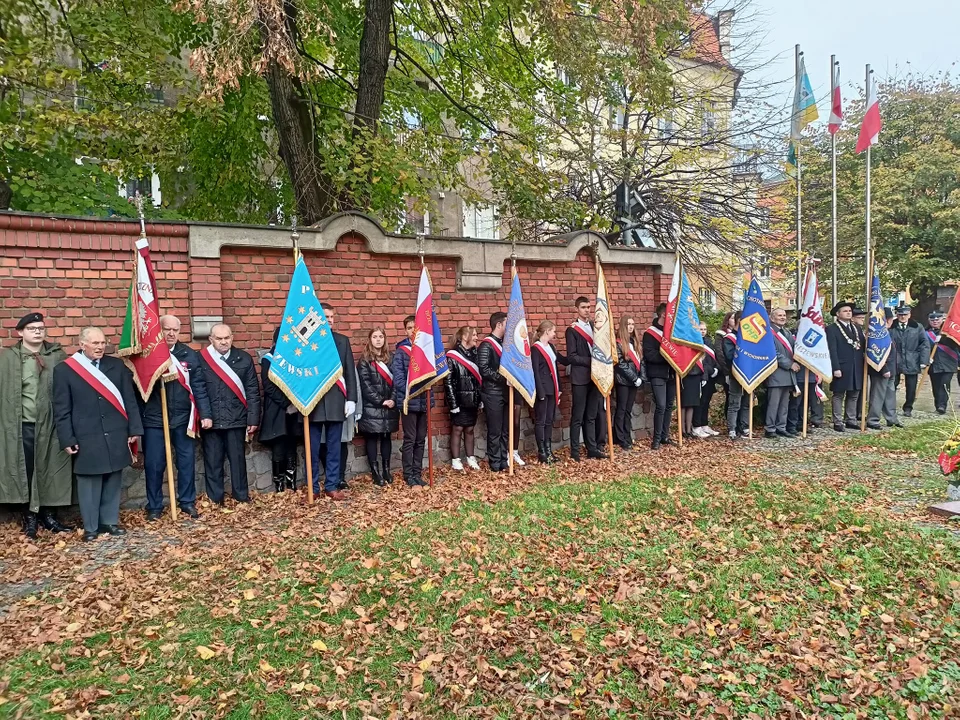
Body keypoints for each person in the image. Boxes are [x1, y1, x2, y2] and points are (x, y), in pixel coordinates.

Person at [52, 327, 143, 542]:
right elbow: (61, 409)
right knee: (89, 481)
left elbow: (130, 400)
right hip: (86, 435)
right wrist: (67, 438)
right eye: (95, 343)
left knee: (113, 477)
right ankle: (91, 526)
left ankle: (109, 522)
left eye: (102, 343)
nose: (100, 347)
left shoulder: (116, 366)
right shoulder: (65, 371)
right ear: (82, 345)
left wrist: (134, 429)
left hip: (116, 431)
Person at [0, 312, 73, 538]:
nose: (38, 332)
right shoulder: (7, 359)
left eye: (41, 328)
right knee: (25, 470)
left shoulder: (57, 356)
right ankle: (29, 516)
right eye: (32, 328)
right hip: (20, 426)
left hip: (51, 424)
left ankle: (49, 515)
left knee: (51, 467)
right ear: (20, 332)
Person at [140, 315, 212, 520]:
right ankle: (154, 506)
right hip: (154, 418)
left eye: (175, 330)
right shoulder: (148, 355)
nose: (171, 333)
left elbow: (198, 385)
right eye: (166, 329)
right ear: (159, 330)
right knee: (154, 464)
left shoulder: (188, 354)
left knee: (186, 461)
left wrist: (205, 414)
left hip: (183, 418)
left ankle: (187, 501)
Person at [198, 323, 261, 505]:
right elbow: (199, 390)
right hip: (212, 421)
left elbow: (252, 391)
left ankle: (241, 496)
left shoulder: (244, 358)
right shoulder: (201, 359)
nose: (224, 342)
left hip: (237, 419)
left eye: (227, 338)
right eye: (219, 338)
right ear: (211, 340)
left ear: (232, 338)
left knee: (238, 461)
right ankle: (215, 498)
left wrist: (253, 418)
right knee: (213, 461)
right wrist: (205, 415)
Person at [307, 303, 357, 500]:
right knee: (312, 449)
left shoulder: (342, 341)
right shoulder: (307, 342)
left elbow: (349, 372)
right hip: (314, 402)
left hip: (337, 401)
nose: (329, 320)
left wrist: (351, 398)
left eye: (331, 317)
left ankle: (332, 485)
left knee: (334, 447)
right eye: (325, 316)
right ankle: (313, 488)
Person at [259, 327, 301, 493]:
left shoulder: (294, 358)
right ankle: (279, 484)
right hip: (277, 410)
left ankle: (291, 483)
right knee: (279, 447)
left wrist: (295, 404)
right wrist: (286, 404)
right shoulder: (269, 359)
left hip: (294, 410)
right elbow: (268, 386)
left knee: (292, 446)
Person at [357, 326, 400, 486]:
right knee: (372, 437)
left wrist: (393, 399)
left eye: (380, 337)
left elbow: (398, 381)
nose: (378, 340)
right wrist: (381, 401)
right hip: (372, 406)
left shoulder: (392, 358)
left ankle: (387, 470)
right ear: (370, 339)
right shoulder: (364, 361)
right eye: (375, 337)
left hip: (390, 405)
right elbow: (365, 385)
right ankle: (375, 472)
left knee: (386, 436)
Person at [392, 315, 431, 486]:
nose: (412, 331)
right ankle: (409, 474)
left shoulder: (427, 349)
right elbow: (399, 380)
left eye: (415, 327)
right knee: (410, 438)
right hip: (409, 400)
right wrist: (418, 388)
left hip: (424, 401)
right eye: (409, 328)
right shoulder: (401, 352)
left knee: (421, 438)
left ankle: (417, 472)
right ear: (405, 330)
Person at [565, 297, 604, 460]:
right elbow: (572, 356)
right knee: (578, 415)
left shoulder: (595, 327)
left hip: (594, 376)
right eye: (583, 307)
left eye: (589, 307)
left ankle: (592, 448)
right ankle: (575, 451)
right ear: (577, 309)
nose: (587, 310)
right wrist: (592, 361)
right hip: (580, 377)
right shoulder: (572, 330)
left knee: (591, 415)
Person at [444, 326, 482, 472]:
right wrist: (453, 404)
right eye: (474, 335)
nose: (476, 337)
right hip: (459, 400)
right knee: (458, 428)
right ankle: (456, 460)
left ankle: (470, 457)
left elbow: (479, 379)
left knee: (470, 429)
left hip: (473, 399)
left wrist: (480, 399)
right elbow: (448, 382)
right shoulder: (452, 356)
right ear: (465, 337)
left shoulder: (475, 354)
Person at [532, 321, 569, 463]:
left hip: (552, 388)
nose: (555, 334)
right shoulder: (536, 349)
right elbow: (535, 371)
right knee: (541, 421)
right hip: (543, 389)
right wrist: (540, 392)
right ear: (546, 331)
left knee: (549, 420)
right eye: (553, 331)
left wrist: (558, 388)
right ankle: (542, 452)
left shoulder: (551, 347)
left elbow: (559, 363)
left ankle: (548, 450)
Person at [826, 301, 866, 431]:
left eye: (849, 311)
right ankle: (837, 421)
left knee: (854, 393)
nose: (848, 313)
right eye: (845, 311)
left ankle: (851, 419)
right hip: (842, 366)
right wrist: (835, 367)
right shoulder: (832, 329)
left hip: (856, 366)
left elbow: (862, 346)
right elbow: (832, 349)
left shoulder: (856, 328)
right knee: (839, 394)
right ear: (838, 314)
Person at [642, 303, 677, 449]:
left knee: (669, 405)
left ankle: (664, 436)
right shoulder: (650, 333)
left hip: (671, 373)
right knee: (661, 406)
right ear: (663, 314)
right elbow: (649, 355)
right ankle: (656, 439)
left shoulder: (673, 332)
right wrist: (666, 356)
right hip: (657, 374)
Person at [478, 312, 510, 471]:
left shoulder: (504, 343)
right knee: (495, 430)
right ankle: (495, 462)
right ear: (499, 325)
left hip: (505, 392)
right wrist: (503, 379)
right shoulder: (486, 345)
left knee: (505, 430)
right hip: (492, 393)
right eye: (506, 323)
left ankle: (504, 459)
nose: (508, 326)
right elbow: (484, 369)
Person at [889, 305, 931, 418]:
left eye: (905, 314)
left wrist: (924, 360)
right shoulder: (891, 326)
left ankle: (908, 408)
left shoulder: (917, 327)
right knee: (891, 385)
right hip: (895, 361)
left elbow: (924, 344)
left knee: (911, 387)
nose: (903, 317)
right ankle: (889, 407)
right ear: (897, 315)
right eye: (900, 314)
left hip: (912, 360)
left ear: (910, 315)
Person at [765, 308, 800, 439]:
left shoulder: (787, 332)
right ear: (772, 318)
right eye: (779, 315)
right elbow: (772, 352)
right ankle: (770, 428)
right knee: (774, 403)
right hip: (776, 372)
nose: (782, 317)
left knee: (784, 404)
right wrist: (790, 364)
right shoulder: (769, 332)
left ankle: (781, 427)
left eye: (784, 315)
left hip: (789, 375)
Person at [867, 307, 901, 429]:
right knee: (878, 395)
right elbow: (877, 354)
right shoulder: (877, 333)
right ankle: (873, 419)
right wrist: (884, 369)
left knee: (890, 394)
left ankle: (891, 418)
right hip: (881, 369)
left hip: (892, 369)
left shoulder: (887, 332)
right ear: (888, 320)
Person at [614, 316, 642, 449]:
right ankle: (620, 437)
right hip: (623, 381)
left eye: (632, 324)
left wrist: (641, 377)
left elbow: (640, 362)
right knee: (621, 409)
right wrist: (634, 378)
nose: (631, 327)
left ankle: (627, 435)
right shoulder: (619, 343)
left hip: (634, 381)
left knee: (628, 410)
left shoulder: (634, 342)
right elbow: (621, 364)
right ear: (623, 326)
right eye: (628, 324)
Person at [721, 312, 750, 439]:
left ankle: (744, 427)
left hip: (748, 374)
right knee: (735, 403)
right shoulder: (729, 338)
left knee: (747, 403)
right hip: (736, 373)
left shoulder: (748, 337)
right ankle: (732, 429)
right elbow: (729, 356)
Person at [926, 310, 958, 415]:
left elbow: (956, 344)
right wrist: (925, 359)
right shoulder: (925, 332)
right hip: (933, 363)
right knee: (935, 385)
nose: (935, 321)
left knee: (944, 384)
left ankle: (942, 406)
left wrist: (943, 340)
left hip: (948, 362)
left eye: (937, 319)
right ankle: (937, 405)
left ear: (942, 319)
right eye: (932, 319)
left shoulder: (950, 332)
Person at [693, 321, 720, 438]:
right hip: (701, 375)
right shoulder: (695, 343)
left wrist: (716, 369)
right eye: (700, 329)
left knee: (706, 402)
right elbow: (701, 362)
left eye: (704, 329)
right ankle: (696, 425)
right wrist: (710, 370)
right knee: (700, 402)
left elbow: (715, 358)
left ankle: (704, 424)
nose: (703, 331)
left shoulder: (709, 342)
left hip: (711, 376)